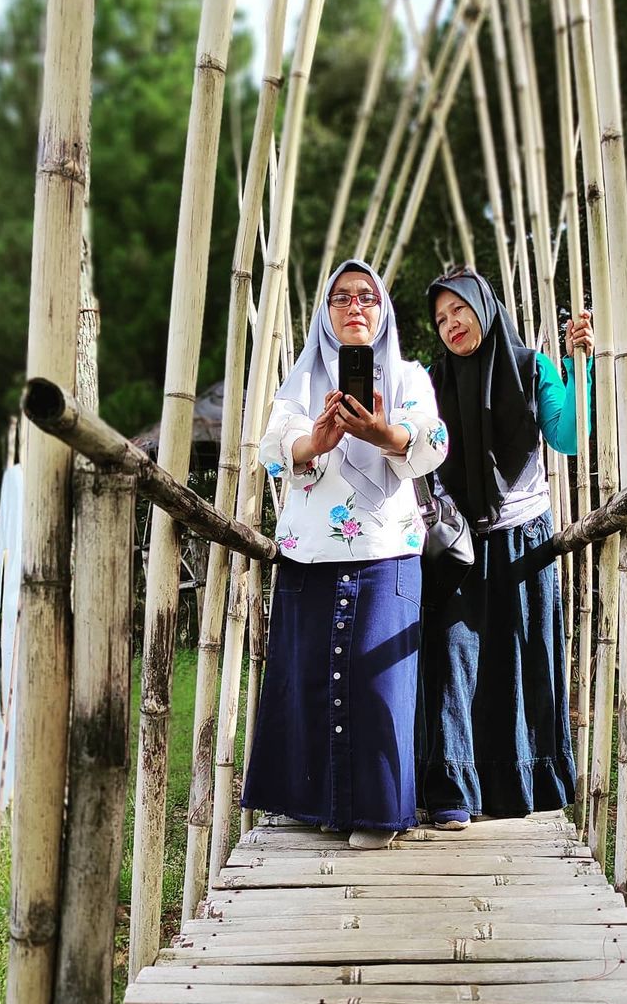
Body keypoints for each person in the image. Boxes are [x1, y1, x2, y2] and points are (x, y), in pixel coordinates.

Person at [242, 259, 448, 849]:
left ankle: (377, 813)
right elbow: (272, 449)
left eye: (366, 296)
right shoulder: (303, 377)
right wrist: (316, 441)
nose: (355, 306)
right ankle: (308, 804)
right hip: (309, 548)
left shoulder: (408, 375)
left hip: (386, 546)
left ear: (383, 309)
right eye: (341, 298)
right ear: (325, 313)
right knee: (306, 674)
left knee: (379, 681)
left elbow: (433, 440)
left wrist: (383, 434)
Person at [418, 266, 593, 830]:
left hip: (523, 540)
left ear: (484, 308)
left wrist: (579, 368)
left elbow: (568, 438)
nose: (451, 324)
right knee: (453, 656)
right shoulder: (431, 382)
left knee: (519, 659)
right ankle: (452, 789)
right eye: (440, 319)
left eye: (459, 310)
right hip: (457, 545)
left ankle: (521, 783)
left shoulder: (531, 367)